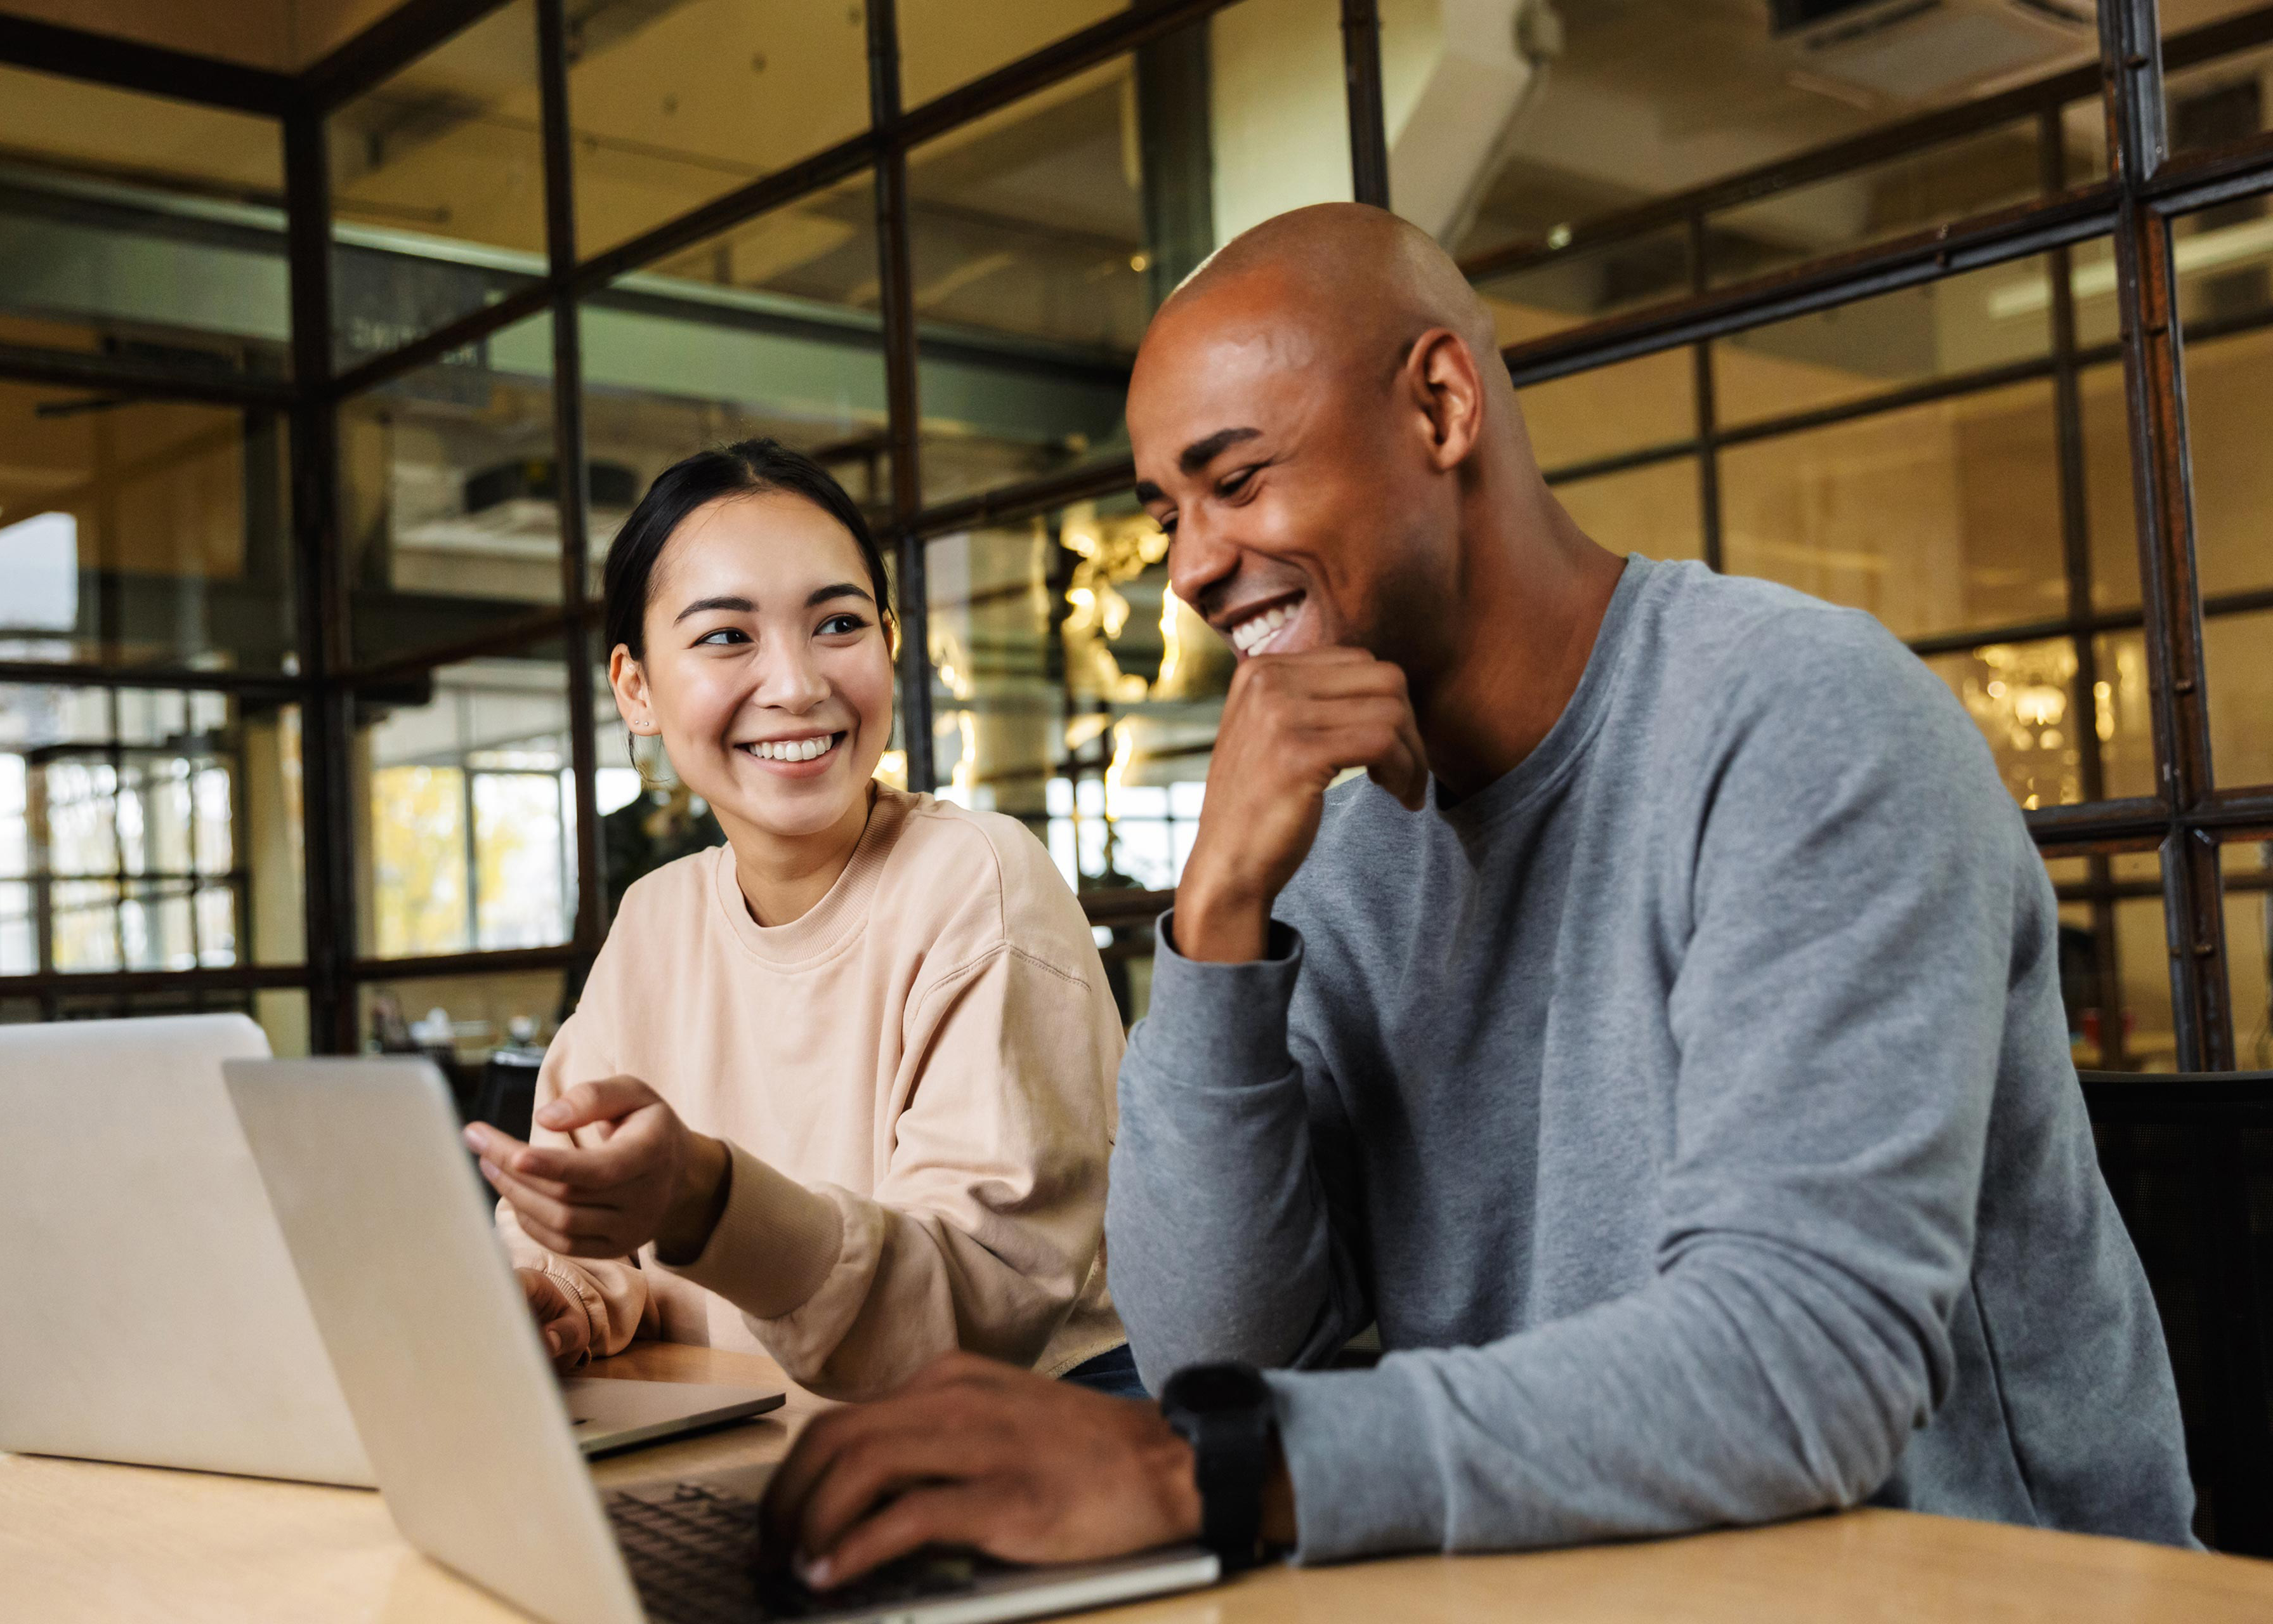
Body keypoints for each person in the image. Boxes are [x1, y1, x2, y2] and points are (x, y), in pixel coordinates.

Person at [754, 204, 2194, 1588]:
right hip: (1590, 1585)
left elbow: (1805, 1365)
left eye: (1236, 477)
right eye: (1164, 510)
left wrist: (1203, 1469)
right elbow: (1227, 1346)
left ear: (1442, 407)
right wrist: (1215, 920)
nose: (1189, 566)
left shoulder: (1801, 719)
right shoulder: (1344, 835)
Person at [462, 439, 1136, 1402]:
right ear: (636, 688)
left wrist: (707, 1197)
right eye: (728, 637)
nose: (797, 684)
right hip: (757, 1421)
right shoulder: (657, 919)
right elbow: (572, 1218)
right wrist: (558, 1292)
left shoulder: (980, 881)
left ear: (891, 645)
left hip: (1021, 1435)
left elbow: (966, 1309)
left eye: (838, 624)